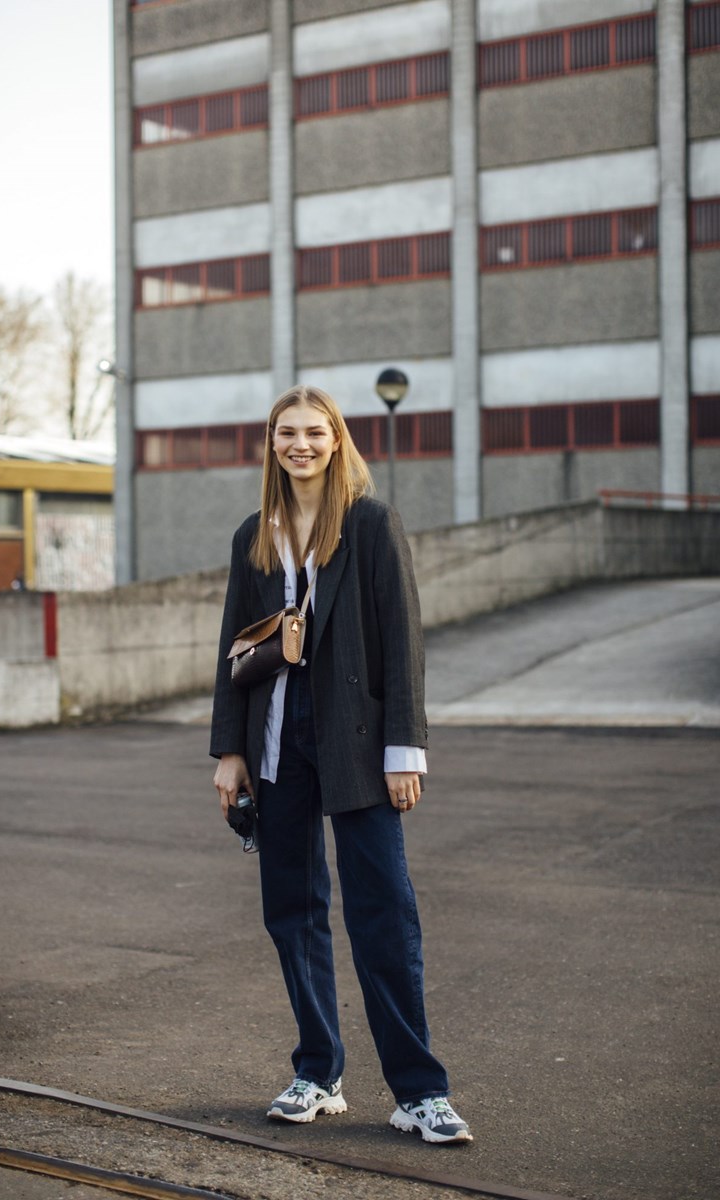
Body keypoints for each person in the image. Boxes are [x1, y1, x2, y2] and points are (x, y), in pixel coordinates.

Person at [210, 384, 472, 1145]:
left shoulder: (369, 522)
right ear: (270, 443)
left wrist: (405, 749)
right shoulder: (253, 536)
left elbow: (403, 641)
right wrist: (231, 752)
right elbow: (232, 648)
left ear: (336, 439)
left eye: (314, 432)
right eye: (286, 432)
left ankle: (419, 1090)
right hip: (277, 745)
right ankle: (318, 1071)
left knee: (383, 911)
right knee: (292, 913)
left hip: (359, 746)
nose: (300, 444)